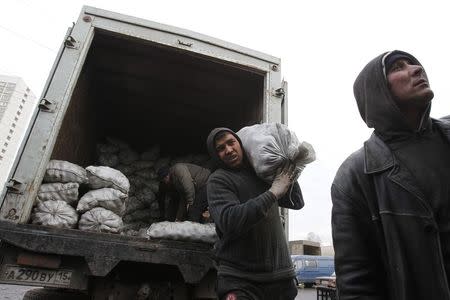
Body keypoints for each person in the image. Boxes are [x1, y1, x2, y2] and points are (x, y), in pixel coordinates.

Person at [331, 50, 450, 300]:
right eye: (398, 67)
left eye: (414, 64)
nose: (417, 69)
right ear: (376, 91)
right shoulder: (354, 176)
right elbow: (356, 281)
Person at [206, 127, 304, 300]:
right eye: (221, 148)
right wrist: (273, 192)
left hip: (281, 278)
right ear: (216, 155)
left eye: (231, 142)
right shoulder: (218, 180)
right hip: (241, 280)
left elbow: (296, 202)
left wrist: (287, 170)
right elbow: (230, 221)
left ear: (240, 144)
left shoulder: (261, 172)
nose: (228, 150)